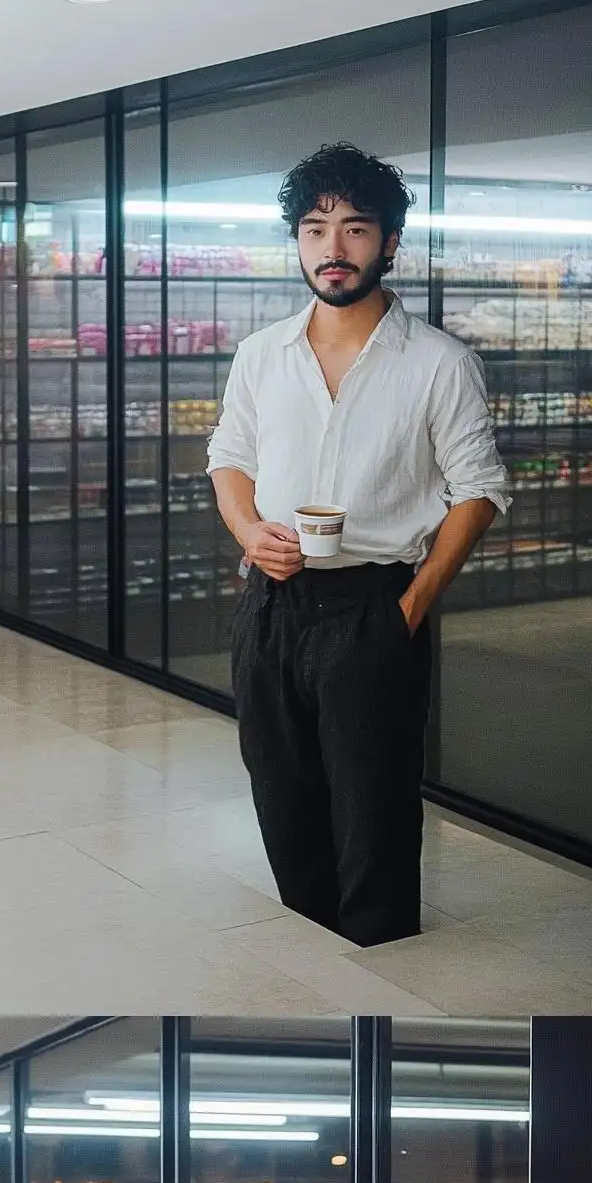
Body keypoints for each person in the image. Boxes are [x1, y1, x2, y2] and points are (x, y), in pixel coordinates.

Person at [206, 142, 511, 946]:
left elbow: (478, 488)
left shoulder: (439, 362)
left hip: (373, 604)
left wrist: (410, 607)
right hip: (269, 606)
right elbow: (228, 457)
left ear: (390, 244)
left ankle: (381, 970)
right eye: (314, 229)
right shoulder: (261, 355)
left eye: (354, 229)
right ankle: (317, 950)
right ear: (297, 241)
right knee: (282, 793)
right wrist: (248, 531)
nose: (332, 249)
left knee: (373, 805)